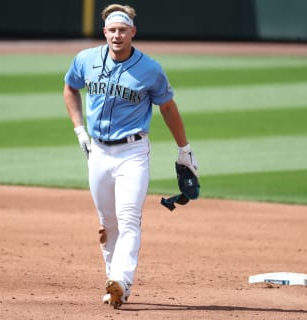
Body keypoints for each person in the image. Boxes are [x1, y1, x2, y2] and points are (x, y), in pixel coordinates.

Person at [63, 3, 199, 308]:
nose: (117, 35)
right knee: (107, 223)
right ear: (104, 32)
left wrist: (184, 148)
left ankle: (121, 281)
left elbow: (168, 108)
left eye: (123, 30)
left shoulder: (150, 69)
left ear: (133, 32)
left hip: (133, 152)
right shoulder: (86, 59)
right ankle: (113, 280)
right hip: (97, 151)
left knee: (128, 219)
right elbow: (70, 87)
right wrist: (79, 130)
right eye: (112, 30)